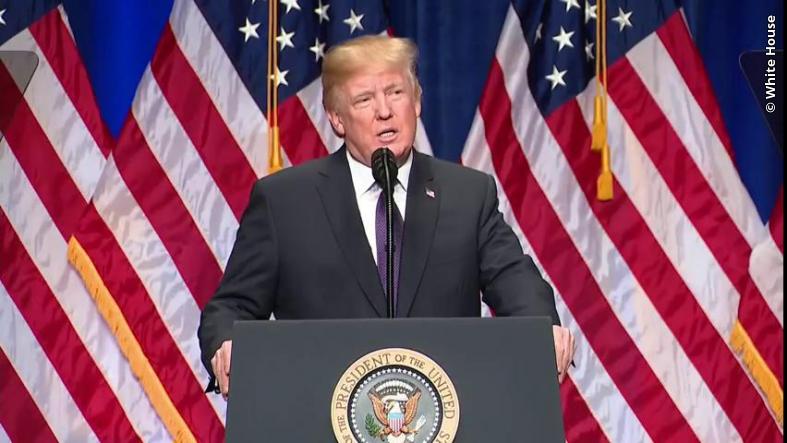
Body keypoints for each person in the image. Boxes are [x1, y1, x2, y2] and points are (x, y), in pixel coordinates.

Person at [198, 35, 575, 399]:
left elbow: (517, 284)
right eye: (364, 99)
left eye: (396, 93)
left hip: (447, 415)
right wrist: (227, 342)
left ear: (417, 102)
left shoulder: (467, 195)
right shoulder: (284, 202)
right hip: (320, 413)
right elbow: (231, 307)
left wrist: (543, 329)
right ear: (337, 119)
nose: (384, 110)